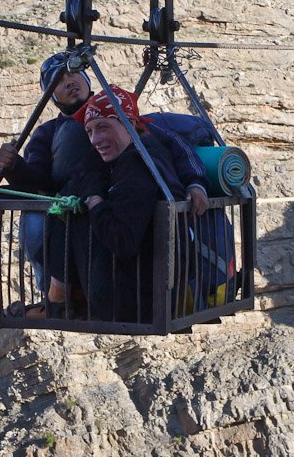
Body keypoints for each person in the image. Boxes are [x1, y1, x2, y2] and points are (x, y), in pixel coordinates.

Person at [0, 51, 209, 311]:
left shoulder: (126, 124)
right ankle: (64, 293)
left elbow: (177, 146)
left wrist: (196, 183)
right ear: (52, 95)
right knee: (51, 217)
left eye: (74, 74)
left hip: (116, 218)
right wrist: (14, 166)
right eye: (58, 81)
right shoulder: (48, 133)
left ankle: (63, 298)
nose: (69, 81)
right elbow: (38, 179)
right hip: (91, 215)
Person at [41, 86, 187, 322]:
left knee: (70, 212)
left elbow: (123, 240)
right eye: (89, 131)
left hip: (128, 303)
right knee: (71, 193)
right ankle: (62, 293)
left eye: (103, 127)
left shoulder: (137, 166)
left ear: (128, 124)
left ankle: (59, 295)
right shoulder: (132, 157)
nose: (95, 139)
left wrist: (95, 202)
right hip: (144, 295)